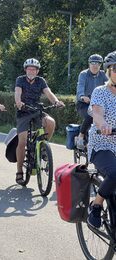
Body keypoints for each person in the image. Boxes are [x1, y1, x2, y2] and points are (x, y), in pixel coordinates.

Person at [14, 58, 64, 185]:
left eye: (34, 69)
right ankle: (19, 170)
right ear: (26, 70)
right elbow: (17, 92)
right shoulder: (20, 79)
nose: (31, 71)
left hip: (37, 111)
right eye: (29, 69)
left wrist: (56, 102)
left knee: (51, 122)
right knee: (22, 141)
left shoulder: (41, 81)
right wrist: (18, 102)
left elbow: (49, 93)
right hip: (24, 111)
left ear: (37, 71)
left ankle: (42, 147)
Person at [87, 51, 116, 228]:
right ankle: (96, 205)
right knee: (115, 172)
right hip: (102, 144)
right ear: (109, 71)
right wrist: (103, 124)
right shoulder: (101, 91)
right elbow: (97, 113)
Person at [75, 54, 108, 149]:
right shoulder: (83, 74)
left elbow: (110, 86)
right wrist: (82, 96)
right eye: (92, 63)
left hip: (98, 104)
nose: (95, 65)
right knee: (91, 115)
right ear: (89, 64)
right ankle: (80, 136)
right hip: (84, 103)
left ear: (100, 65)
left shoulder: (103, 74)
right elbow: (80, 87)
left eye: (97, 63)